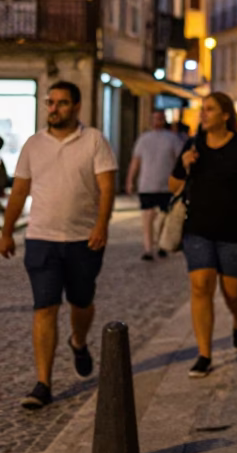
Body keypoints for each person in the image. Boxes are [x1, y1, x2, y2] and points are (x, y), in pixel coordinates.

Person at [0, 81, 117, 410]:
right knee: (45, 306)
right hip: (41, 238)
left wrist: (101, 225)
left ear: (76, 106)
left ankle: (78, 341)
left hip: (83, 239)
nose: (53, 108)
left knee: (82, 302)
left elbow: (107, 188)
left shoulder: (94, 140)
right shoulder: (33, 145)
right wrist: (7, 231)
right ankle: (43, 383)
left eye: (61, 103)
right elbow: (20, 191)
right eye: (50, 103)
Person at [169, 91, 237, 378]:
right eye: (203, 109)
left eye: (209, 109)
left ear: (226, 115)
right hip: (198, 229)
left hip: (235, 230)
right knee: (201, 285)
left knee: (233, 291)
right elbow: (172, 185)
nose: (203, 114)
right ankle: (204, 354)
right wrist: (184, 164)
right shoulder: (193, 145)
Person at [126, 110, 182, 261]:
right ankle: (148, 248)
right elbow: (135, 161)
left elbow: (180, 161)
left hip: (166, 185)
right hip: (147, 184)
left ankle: (161, 245)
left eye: (160, 118)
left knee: (164, 217)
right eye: (155, 118)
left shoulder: (172, 139)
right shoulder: (143, 139)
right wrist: (130, 180)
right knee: (147, 217)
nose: (157, 121)